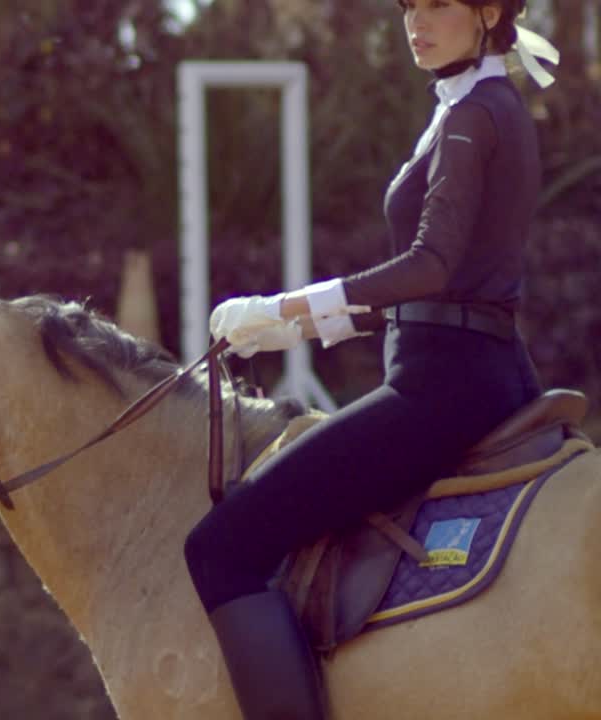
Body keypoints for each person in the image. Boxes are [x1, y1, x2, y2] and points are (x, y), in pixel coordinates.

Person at [182, 2, 560, 718]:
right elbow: (448, 292)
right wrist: (295, 330)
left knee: (220, 550)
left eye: (439, 4)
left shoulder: (473, 113)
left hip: (442, 389)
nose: (417, 21)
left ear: (487, 11)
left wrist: (285, 307)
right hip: (484, 368)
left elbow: (430, 265)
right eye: (409, 5)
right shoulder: (483, 104)